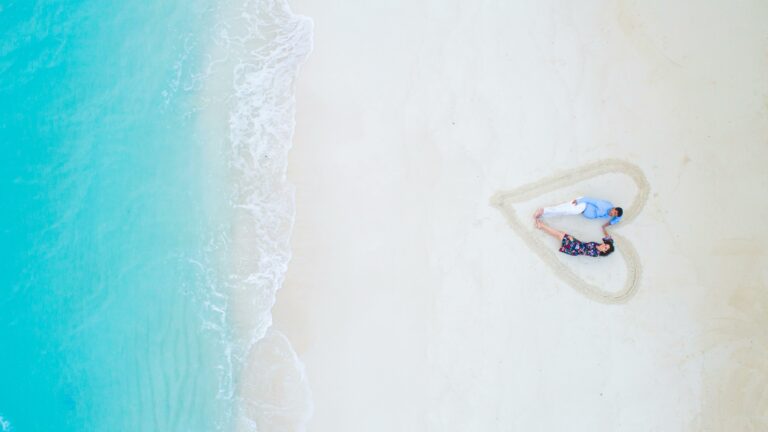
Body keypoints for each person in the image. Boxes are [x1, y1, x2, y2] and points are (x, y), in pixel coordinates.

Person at [534, 219, 615, 257]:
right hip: (578, 243)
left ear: (604, 251)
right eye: (605, 245)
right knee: (561, 233)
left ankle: (541, 226)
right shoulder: (600, 245)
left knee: (559, 234)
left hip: (574, 248)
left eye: (605, 247)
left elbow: (582, 250)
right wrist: (604, 229)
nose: (604, 245)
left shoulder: (595, 253)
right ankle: (542, 226)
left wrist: (572, 240)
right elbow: (609, 239)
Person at [534, 197, 623, 228]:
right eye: (614, 212)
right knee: (565, 209)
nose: (612, 214)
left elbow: (618, 218)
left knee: (565, 212)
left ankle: (544, 213)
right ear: (614, 208)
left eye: (614, 214)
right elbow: (591, 200)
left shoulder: (610, 214)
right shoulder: (604, 205)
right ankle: (543, 210)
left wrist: (608, 224)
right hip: (583, 205)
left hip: (582, 210)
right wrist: (579, 201)